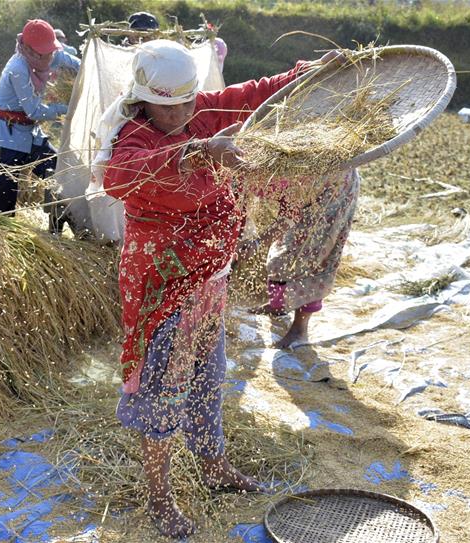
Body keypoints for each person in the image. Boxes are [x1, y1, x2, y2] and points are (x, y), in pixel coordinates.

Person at [92, 39, 342, 538]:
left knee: (210, 376)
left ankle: (213, 466)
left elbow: (256, 95)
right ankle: (159, 496)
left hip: (209, 276)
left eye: (189, 101)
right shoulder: (132, 138)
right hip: (163, 284)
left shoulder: (198, 110)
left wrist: (308, 73)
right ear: (144, 101)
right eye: (171, 106)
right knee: (166, 386)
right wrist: (199, 151)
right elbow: (120, 177)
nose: (184, 111)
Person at [241, 169, 360, 348]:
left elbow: (289, 215)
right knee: (280, 256)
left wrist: (257, 244)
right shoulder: (250, 173)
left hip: (332, 191)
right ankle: (279, 305)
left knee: (311, 259)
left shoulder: (289, 180)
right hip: (309, 186)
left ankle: (299, 329)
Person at [0, 19, 79, 232]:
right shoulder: (18, 68)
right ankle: (7, 240)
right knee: (6, 201)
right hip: (6, 138)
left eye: (50, 52)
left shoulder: (49, 55)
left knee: (59, 174)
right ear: (28, 50)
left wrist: (89, 72)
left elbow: (74, 63)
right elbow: (34, 111)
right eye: (42, 54)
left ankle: (57, 231)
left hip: (31, 134)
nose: (48, 58)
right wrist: (68, 107)